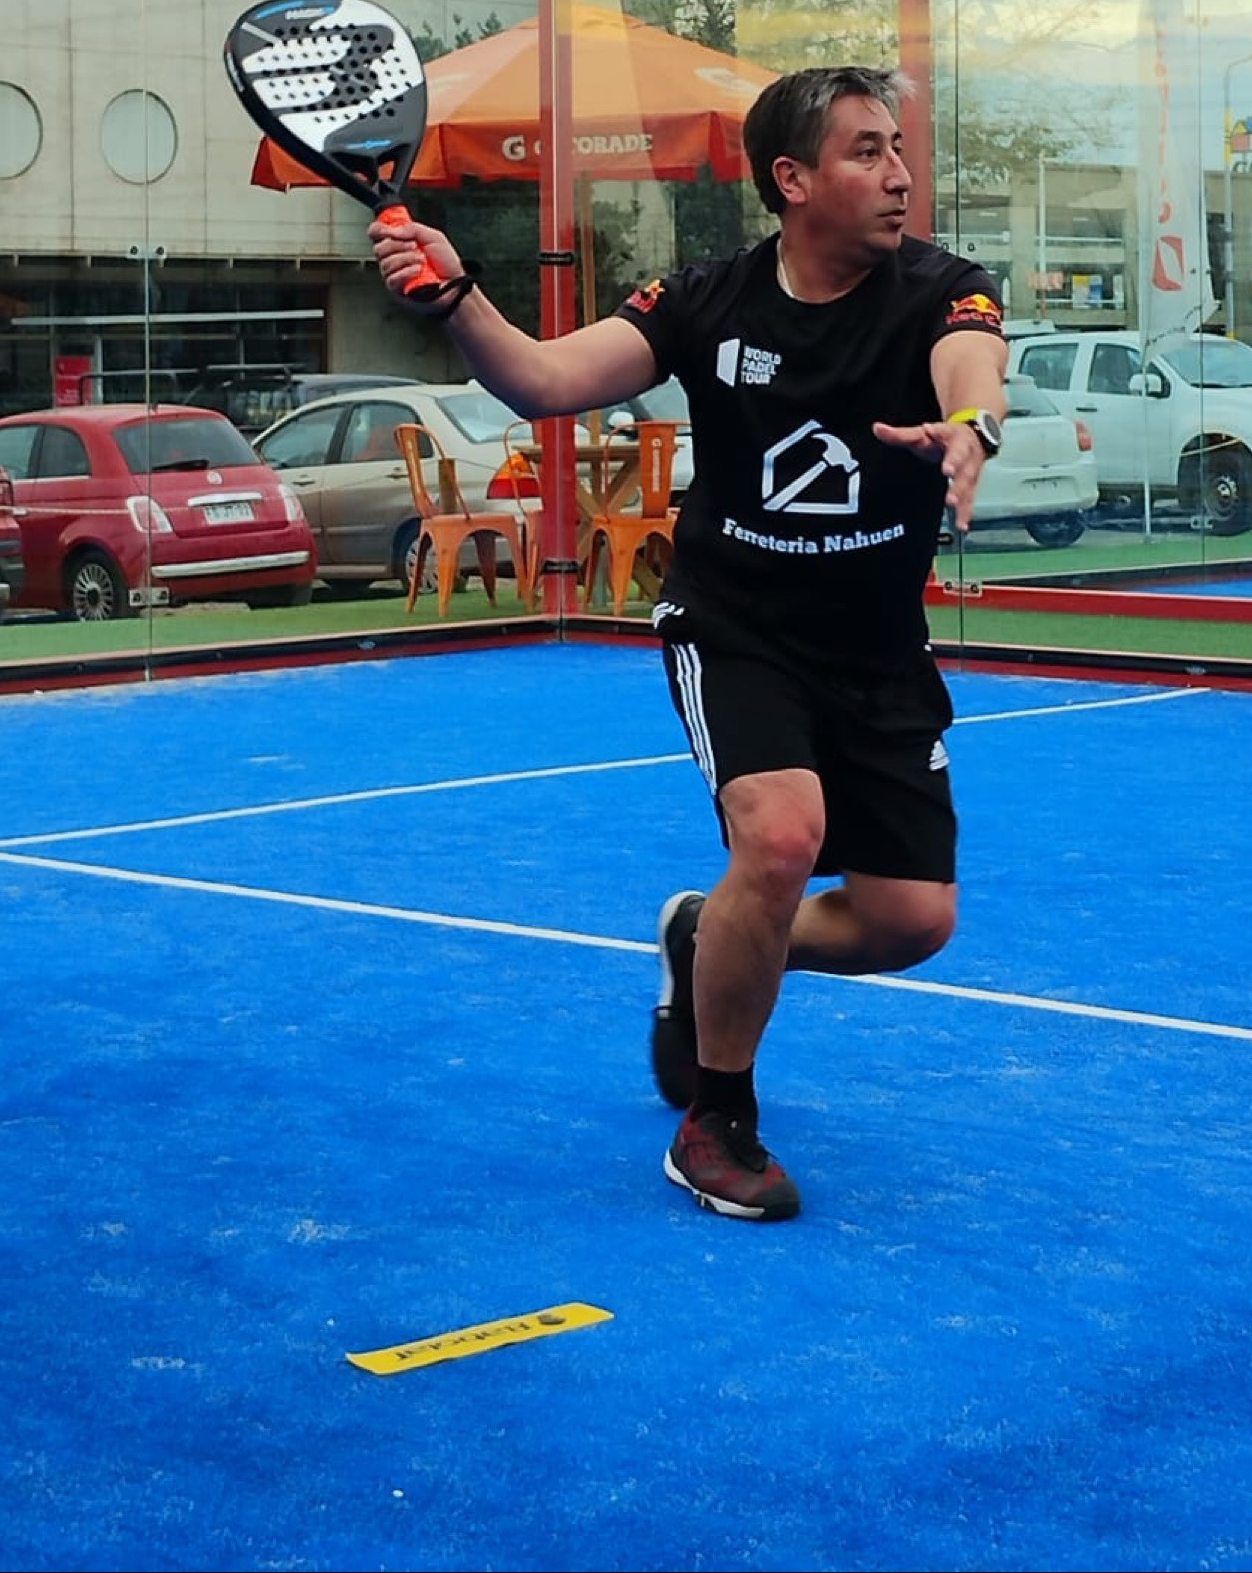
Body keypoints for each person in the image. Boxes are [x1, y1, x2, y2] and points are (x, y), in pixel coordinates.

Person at [371, 65, 1007, 1222]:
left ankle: (708, 937)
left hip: (877, 646)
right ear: (792, 178)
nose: (900, 174)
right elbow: (545, 378)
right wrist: (457, 296)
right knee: (781, 833)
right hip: (737, 626)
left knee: (911, 920)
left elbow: (972, 364)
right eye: (866, 150)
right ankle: (718, 1118)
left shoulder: (943, 287)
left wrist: (971, 424)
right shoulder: (706, 300)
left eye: (899, 147)